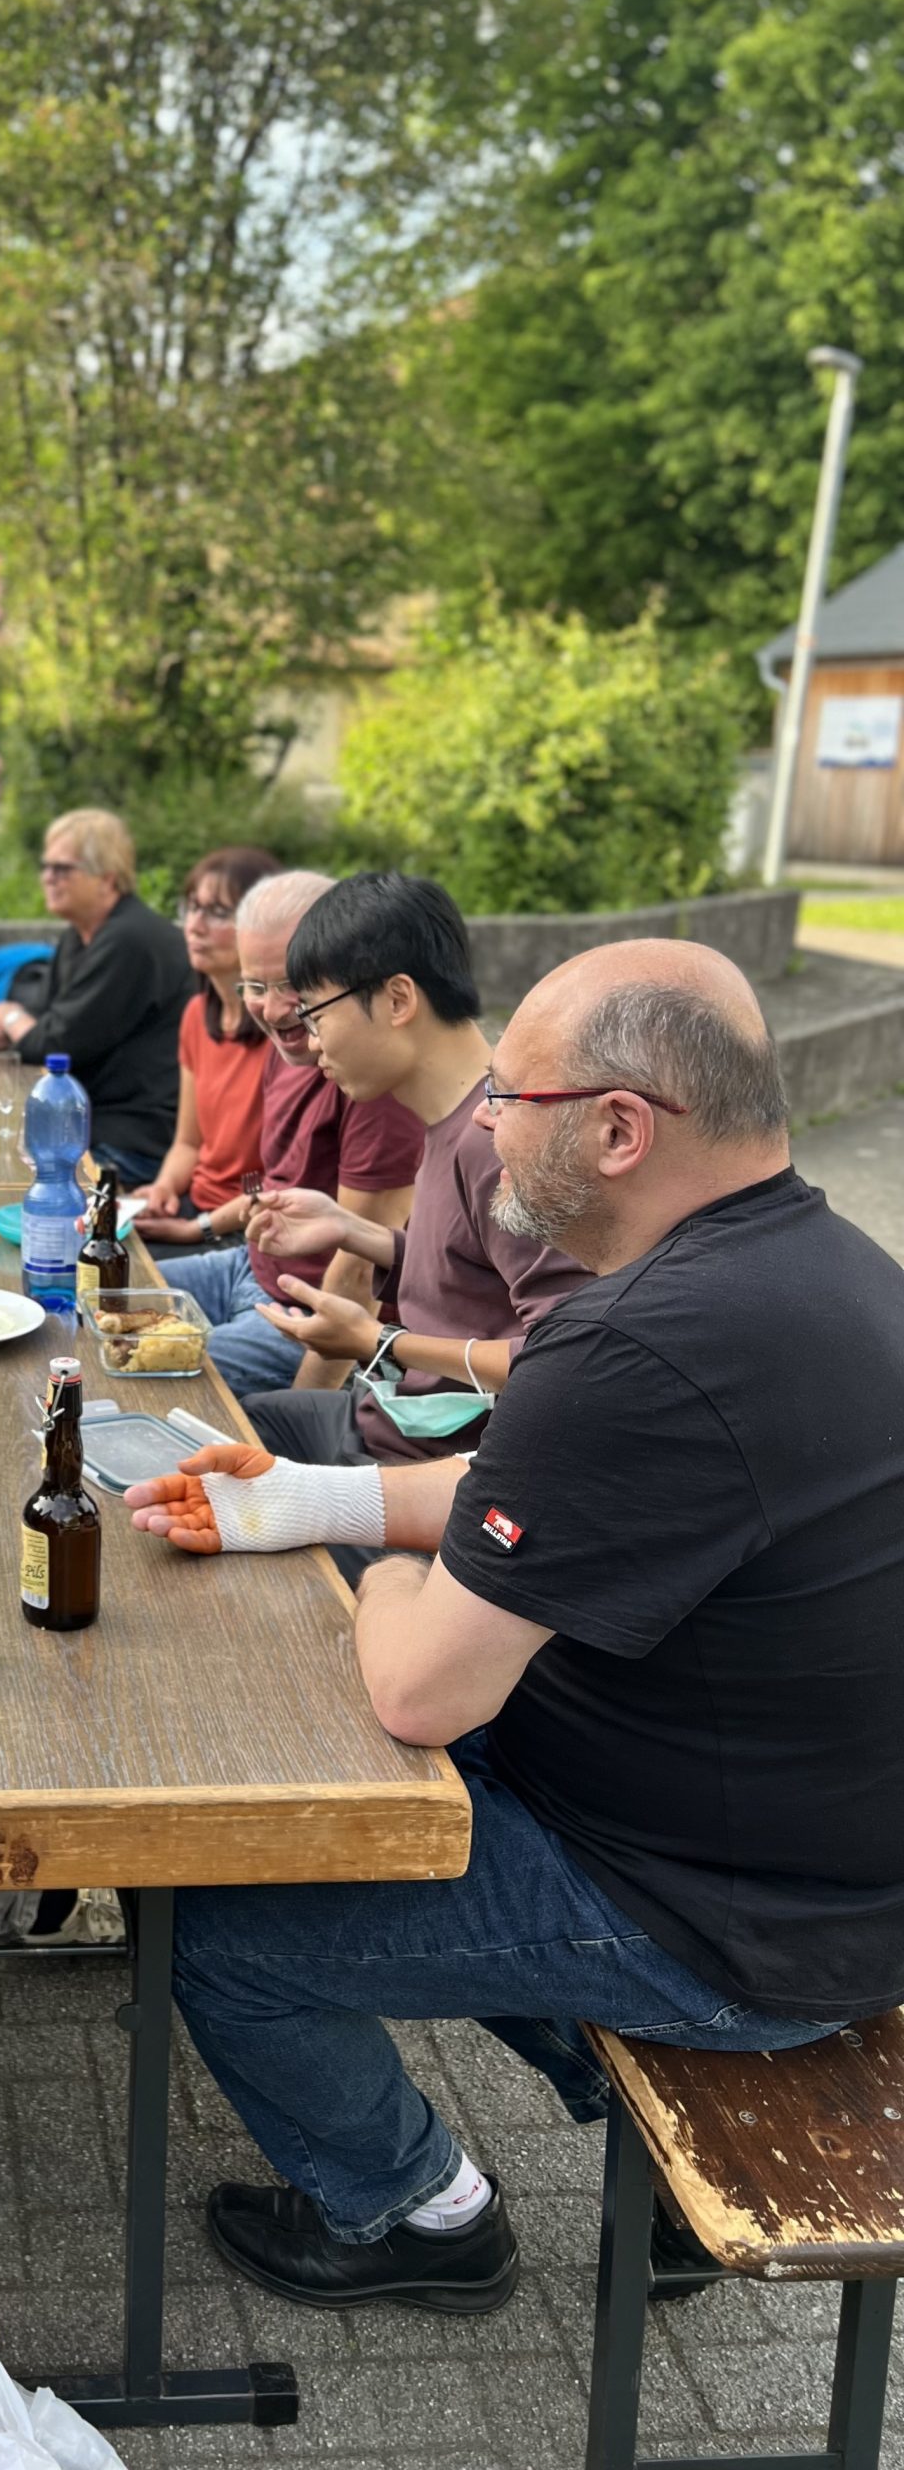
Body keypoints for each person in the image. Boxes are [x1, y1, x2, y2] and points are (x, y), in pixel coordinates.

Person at [124, 939, 904, 2316]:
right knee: (350, 1787)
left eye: (512, 1099)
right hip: (818, 1873)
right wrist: (311, 1495)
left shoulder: (633, 1345)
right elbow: (529, 1490)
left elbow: (421, 1693)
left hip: (735, 1929)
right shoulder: (831, 1268)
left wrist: (378, 1566)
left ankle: (416, 2214)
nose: (484, 1124)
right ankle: (612, 2142)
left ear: (619, 1129)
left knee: (222, 1920)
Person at [208, 873, 589, 1567]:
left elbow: (570, 1359)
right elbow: (473, 1276)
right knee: (213, 1434)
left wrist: (377, 1340)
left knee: (220, 1511)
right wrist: (357, 1232)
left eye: (316, 1014)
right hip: (379, 1424)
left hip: (429, 1478)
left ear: (398, 998)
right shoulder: (448, 1118)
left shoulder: (498, 1141)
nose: (311, 1042)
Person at [154, 872, 424, 1396]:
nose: (274, 1010)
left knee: (149, 1373)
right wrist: (200, 1226)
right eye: (255, 987)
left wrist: (302, 1412)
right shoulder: (289, 1046)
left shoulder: (370, 1076)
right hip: (247, 1263)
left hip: (307, 1309)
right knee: (90, 1296)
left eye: (291, 985)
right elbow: (274, 1184)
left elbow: (356, 1272)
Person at [0, 809, 193, 1184]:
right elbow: (42, 1017)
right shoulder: (80, 936)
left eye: (62, 869)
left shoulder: (127, 940)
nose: (48, 877)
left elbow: (54, 1044)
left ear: (107, 879)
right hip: (86, 1124)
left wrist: (6, 1016)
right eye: (45, 867)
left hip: (129, 1144)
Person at [137, 845, 283, 1235]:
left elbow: (287, 1180)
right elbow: (188, 1143)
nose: (195, 925)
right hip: (196, 1207)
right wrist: (163, 1188)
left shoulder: (285, 1032)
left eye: (217, 912)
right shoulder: (196, 1014)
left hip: (252, 1227)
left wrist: (196, 1229)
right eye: (192, 907)